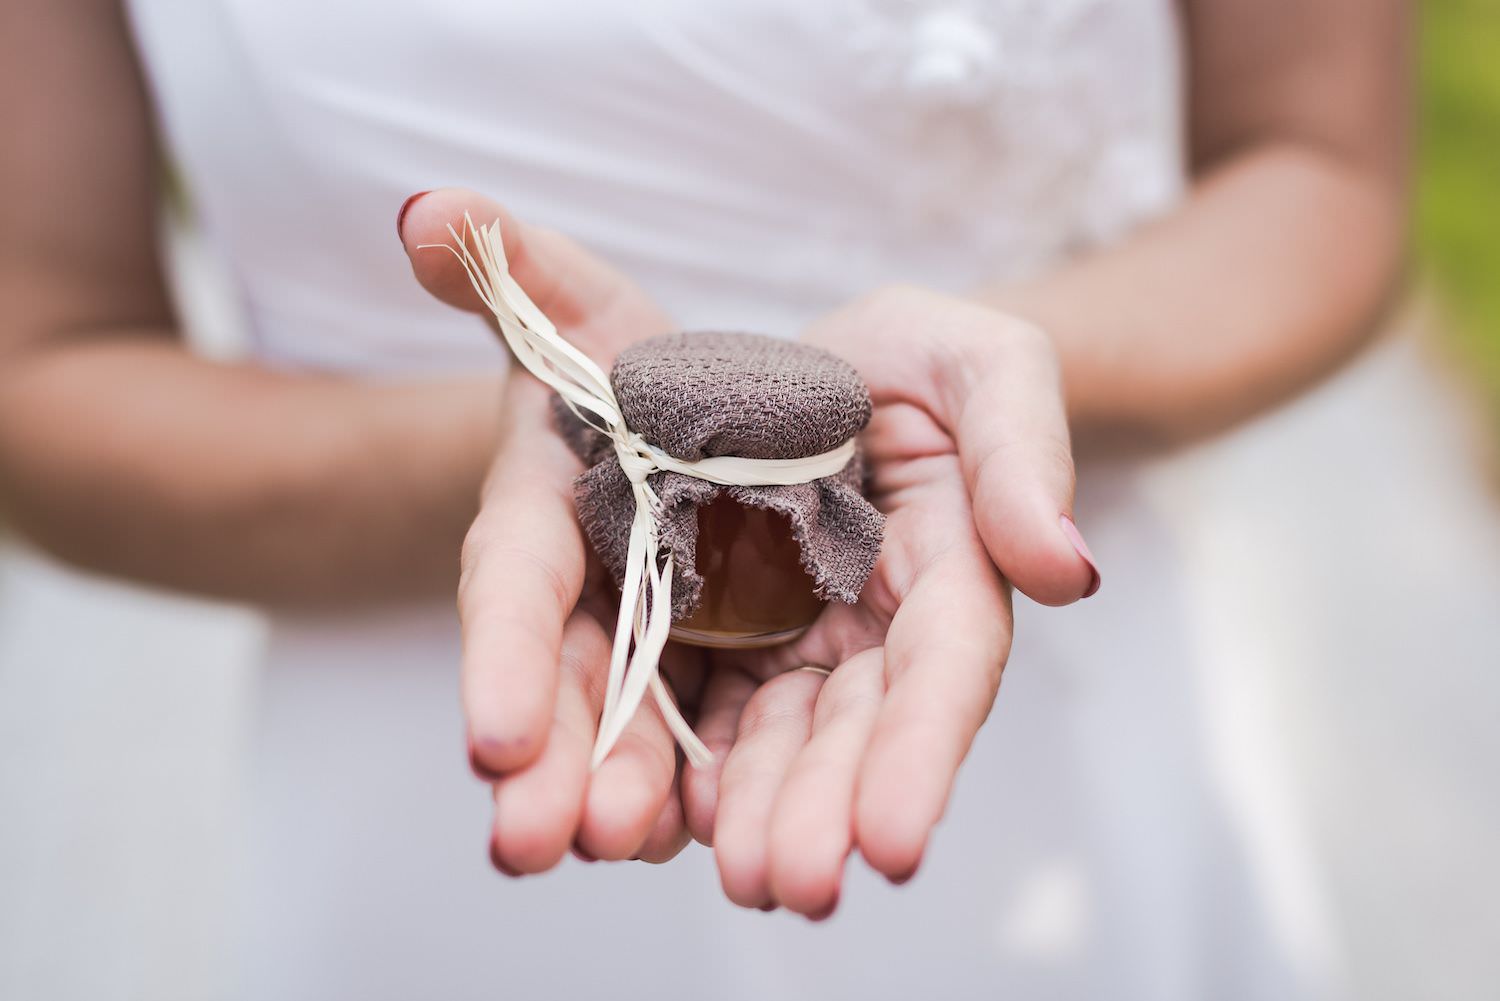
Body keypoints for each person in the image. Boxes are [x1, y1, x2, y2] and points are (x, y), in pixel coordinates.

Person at [0, 1, 1407, 998]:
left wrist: (981, 401)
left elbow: (1325, 170)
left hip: (1020, 697)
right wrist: (555, 459)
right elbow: (41, 373)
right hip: (433, 776)